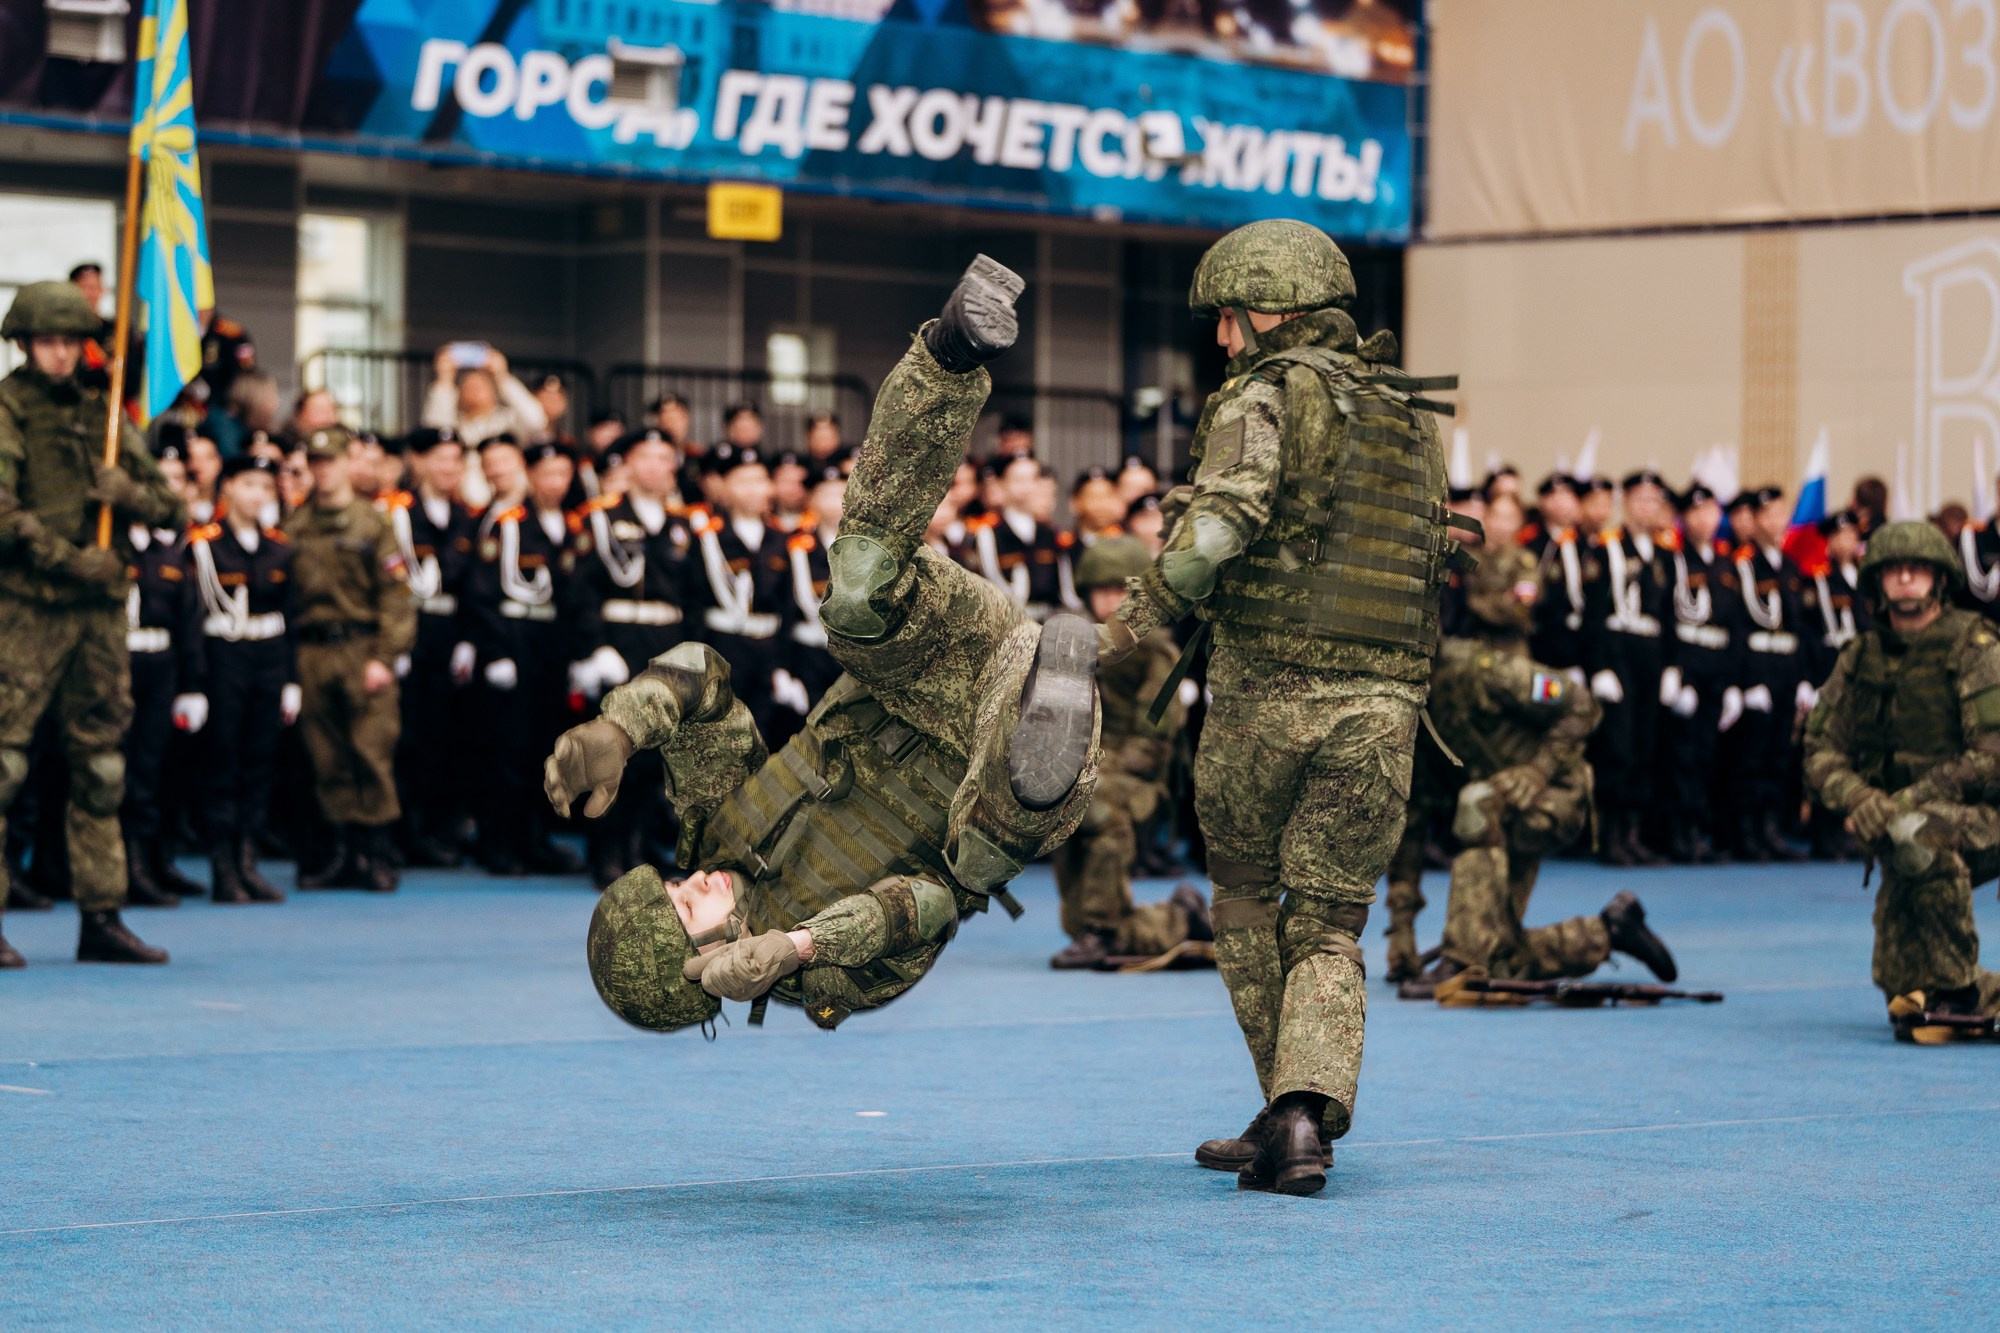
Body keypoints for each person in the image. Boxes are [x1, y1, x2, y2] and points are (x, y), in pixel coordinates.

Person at [547, 255, 1101, 1034]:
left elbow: (702, 678)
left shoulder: (716, 829)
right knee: (982, 852)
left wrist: (621, 725)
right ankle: (1051, 697)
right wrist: (804, 944)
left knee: (855, 591)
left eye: (675, 885)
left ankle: (949, 354)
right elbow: (929, 906)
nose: (692, 879)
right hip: (988, 746)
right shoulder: (832, 983)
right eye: (685, 905)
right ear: (703, 963)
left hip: (923, 665)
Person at [1097, 220, 1466, 1197]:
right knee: (1332, 927)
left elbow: (1221, 521)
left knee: (1250, 906)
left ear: (1273, 310)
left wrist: (1134, 620)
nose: (1222, 340)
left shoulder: (1262, 394)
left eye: (1228, 317)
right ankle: (1296, 1119)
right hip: (1383, 711)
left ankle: (1288, 1115)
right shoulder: (1403, 415)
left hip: (1268, 701)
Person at [0, 281, 183, 967]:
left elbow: (175, 509)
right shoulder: (6, 407)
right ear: (24, 343)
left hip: (98, 616)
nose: (61, 353)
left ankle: (101, 914)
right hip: (25, 608)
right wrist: (70, 561)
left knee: (102, 765)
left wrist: (129, 493)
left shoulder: (104, 412)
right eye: (49, 341)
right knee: (3, 761)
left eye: (72, 342)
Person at [1401, 553, 1676, 990]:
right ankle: (1608, 932)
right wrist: (1401, 935)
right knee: (1504, 958)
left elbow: (1582, 703)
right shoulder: (1411, 705)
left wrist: (1539, 769)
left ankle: (1458, 960)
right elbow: (1412, 815)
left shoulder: (1483, 670)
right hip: (1503, 812)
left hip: (1555, 794)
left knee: (1476, 802)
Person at [1802, 522, 2000, 1040]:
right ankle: (1957, 990)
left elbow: (1993, 756)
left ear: (1940, 580)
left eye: (1918, 569)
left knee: (1916, 835)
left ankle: (1958, 997)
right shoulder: (1859, 656)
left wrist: (1906, 800)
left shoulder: (1974, 645)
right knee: (1899, 985)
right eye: (1893, 569)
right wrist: (1860, 798)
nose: (1905, 577)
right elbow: (1819, 748)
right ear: (1877, 583)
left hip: (1982, 817)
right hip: (1896, 822)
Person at [1050, 536, 1210, 970]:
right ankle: (1176, 917)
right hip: (1086, 773)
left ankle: (1101, 928)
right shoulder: (1075, 643)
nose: (1109, 601)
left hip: (1138, 780)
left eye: (1119, 591)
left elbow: (1153, 742)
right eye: (1101, 592)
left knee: (1100, 811)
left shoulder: (1155, 650)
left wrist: (1098, 767)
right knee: (1065, 812)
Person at [284, 427, 416, 895]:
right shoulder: (296, 526)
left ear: (347, 464)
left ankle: (375, 852)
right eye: (315, 463)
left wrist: (385, 656)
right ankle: (339, 850)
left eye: (331, 462)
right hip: (313, 650)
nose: (323, 471)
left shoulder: (372, 523)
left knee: (371, 751)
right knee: (327, 754)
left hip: (362, 649)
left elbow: (397, 596)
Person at [566, 429, 697, 888]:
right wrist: (594, 647)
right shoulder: (600, 518)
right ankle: (605, 853)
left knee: (655, 758)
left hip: (666, 645)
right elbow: (579, 591)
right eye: (648, 456)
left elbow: (694, 597)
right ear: (629, 463)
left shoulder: (683, 523)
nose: (658, 466)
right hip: (619, 642)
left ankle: (638, 851)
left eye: (666, 457)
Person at [463, 438, 580, 875]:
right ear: (529, 476)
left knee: (548, 750)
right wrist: (493, 651)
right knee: (507, 749)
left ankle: (535, 839)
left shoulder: (572, 526)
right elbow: (481, 593)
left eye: (564, 475)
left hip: (551, 652)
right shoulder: (509, 524)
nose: (556, 483)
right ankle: (499, 843)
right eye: (547, 474)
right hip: (513, 644)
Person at [186, 456, 297, 902]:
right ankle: (223, 868)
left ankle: (247, 862)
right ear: (228, 487)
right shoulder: (205, 546)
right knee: (223, 763)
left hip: (268, 659)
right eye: (249, 484)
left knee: (259, 763)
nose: (257, 495)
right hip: (224, 660)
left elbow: (290, 615)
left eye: (265, 487)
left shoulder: (279, 548)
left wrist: (291, 679)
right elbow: (193, 620)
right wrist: (194, 682)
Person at [380, 428, 480, 867]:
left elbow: (474, 586)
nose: (448, 468)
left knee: (445, 738)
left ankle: (437, 830)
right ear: (417, 462)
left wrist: (468, 641)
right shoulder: (397, 512)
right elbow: (388, 583)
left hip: (448, 637)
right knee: (404, 738)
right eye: (440, 458)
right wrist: (392, 642)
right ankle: (402, 833)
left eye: (456, 460)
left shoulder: (465, 515)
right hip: (410, 635)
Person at [1581, 470, 1673, 866]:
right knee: (1617, 747)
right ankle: (1612, 835)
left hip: (1650, 655)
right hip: (1617, 651)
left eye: (1654, 500)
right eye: (1639, 499)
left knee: (1645, 745)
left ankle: (1634, 833)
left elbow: (1671, 617)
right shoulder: (1606, 550)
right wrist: (1598, 665)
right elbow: (1592, 614)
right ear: (1626, 503)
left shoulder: (1665, 555)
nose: (1646, 507)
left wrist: (1673, 667)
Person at [120, 484, 205, 908]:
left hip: (160, 668)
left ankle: (147, 864)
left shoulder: (166, 553)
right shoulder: (105, 545)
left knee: (151, 771)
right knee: (115, 771)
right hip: (116, 667)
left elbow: (188, 623)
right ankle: (120, 869)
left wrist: (191, 685)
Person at [1657, 482, 1745, 864]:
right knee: (1682, 758)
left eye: (1710, 511)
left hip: (1717, 675)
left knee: (1709, 757)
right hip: (1688, 671)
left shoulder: (1726, 566)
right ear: (1683, 517)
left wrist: (1734, 685)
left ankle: (1699, 832)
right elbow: (1666, 618)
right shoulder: (1674, 561)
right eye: (1695, 512)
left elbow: (1737, 629)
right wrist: (1674, 669)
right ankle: (1678, 833)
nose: (1703, 519)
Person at [687, 446, 795, 739]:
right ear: (725, 487)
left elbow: (789, 607)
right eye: (742, 481)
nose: (753, 490)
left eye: (760, 481)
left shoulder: (783, 539)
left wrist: (784, 665)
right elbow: (692, 600)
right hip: (723, 647)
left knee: (765, 737)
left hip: (768, 650)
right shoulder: (709, 537)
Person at [1732, 485, 1813, 861]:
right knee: (1751, 758)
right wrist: (1747, 681)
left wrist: (1802, 678)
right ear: (1754, 521)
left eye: (1782, 514)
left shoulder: (1791, 567)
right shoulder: (1745, 566)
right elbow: (1739, 628)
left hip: (1785, 672)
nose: (1777, 523)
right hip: (1759, 672)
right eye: (1769, 515)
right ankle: (1746, 832)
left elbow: (1799, 629)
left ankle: (1770, 828)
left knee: (1780, 756)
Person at [421, 344, 548, 448]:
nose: (474, 391)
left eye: (481, 386)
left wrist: (502, 377)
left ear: (494, 393)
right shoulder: (453, 424)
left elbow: (535, 421)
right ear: (458, 395)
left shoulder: (508, 421)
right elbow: (435, 432)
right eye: (468, 387)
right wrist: (445, 380)